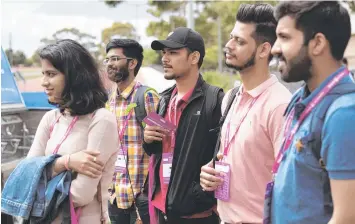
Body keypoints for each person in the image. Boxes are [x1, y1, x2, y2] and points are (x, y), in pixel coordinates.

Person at [199, 3, 291, 224]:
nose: (228, 45)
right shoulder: (231, 97)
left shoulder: (280, 105)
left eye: (239, 41)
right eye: (231, 38)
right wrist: (210, 172)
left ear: (263, 49)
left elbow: (289, 185)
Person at [269, 1, 355, 223]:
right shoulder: (302, 97)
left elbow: (346, 217)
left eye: (285, 37)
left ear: (317, 43)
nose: (274, 48)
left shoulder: (344, 114)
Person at [22, 39, 118, 223]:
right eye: (43, 74)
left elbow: (81, 193)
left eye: (51, 74)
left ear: (75, 76)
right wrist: (66, 162)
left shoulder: (101, 120)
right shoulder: (51, 118)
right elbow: (28, 172)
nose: (44, 82)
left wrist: (39, 182)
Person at [144, 27, 224, 224]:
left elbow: (224, 156)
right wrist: (147, 138)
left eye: (173, 53)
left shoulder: (215, 100)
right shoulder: (163, 99)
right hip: (162, 209)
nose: (164, 58)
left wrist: (200, 195)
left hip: (197, 215)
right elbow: (154, 150)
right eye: (164, 53)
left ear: (194, 57)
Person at [104, 39, 159, 224]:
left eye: (115, 58)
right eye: (107, 59)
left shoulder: (147, 96)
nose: (109, 64)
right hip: (115, 196)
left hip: (140, 199)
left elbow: (165, 144)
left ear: (132, 63)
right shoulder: (109, 101)